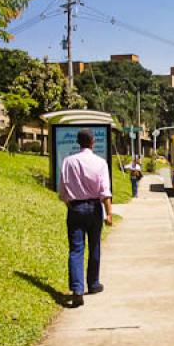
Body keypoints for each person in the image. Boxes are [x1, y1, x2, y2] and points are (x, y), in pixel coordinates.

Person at [58, 129, 113, 308]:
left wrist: (71, 205)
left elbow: (63, 191)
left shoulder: (68, 162)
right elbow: (105, 191)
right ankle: (94, 283)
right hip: (95, 208)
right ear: (92, 142)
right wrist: (109, 213)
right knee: (94, 245)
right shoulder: (100, 163)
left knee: (76, 249)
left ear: (78, 142)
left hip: (75, 208)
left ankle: (77, 290)